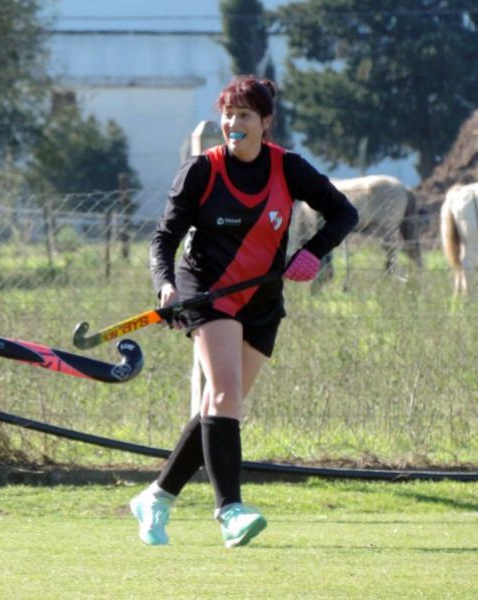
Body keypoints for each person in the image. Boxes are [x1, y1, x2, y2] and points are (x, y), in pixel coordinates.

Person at [130, 75, 358, 548]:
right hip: (207, 291)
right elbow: (163, 239)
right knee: (226, 393)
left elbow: (344, 213)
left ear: (265, 122)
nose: (233, 124)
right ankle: (230, 510)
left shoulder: (288, 168)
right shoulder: (202, 170)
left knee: (221, 406)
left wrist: (313, 252)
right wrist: (165, 287)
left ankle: (156, 496)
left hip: (262, 299)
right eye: (228, 115)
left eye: (244, 116)